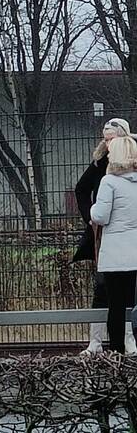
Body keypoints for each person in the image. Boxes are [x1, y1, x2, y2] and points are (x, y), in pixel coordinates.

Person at [74, 118, 134, 354]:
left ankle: (127, 340)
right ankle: (96, 341)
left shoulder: (125, 171)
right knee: (102, 289)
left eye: (112, 139)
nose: (108, 144)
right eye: (106, 139)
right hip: (105, 234)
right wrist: (90, 218)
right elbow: (81, 189)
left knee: (126, 294)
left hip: (121, 237)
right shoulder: (101, 165)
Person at [91, 135, 137, 355]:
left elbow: (100, 216)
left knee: (116, 307)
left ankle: (116, 354)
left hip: (115, 257)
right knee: (132, 304)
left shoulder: (109, 182)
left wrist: (91, 211)